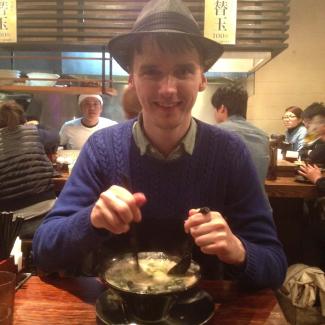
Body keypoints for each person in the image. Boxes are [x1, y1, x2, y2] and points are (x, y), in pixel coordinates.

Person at [33, 0, 287, 289]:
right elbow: (44, 249)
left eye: (183, 71)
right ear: (133, 79)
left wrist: (238, 250)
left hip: (202, 310)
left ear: (201, 79)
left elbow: (275, 264)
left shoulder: (229, 152)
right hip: (117, 307)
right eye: (152, 71)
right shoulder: (101, 149)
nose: (168, 89)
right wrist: (90, 220)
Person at [0, 100, 56, 238]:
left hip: (10, 225)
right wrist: (36, 124)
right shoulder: (33, 131)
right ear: (22, 118)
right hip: (47, 213)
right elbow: (55, 136)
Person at [212, 84, 270, 184]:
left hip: (225, 199)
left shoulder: (213, 134)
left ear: (222, 108)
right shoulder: (263, 136)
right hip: (259, 199)